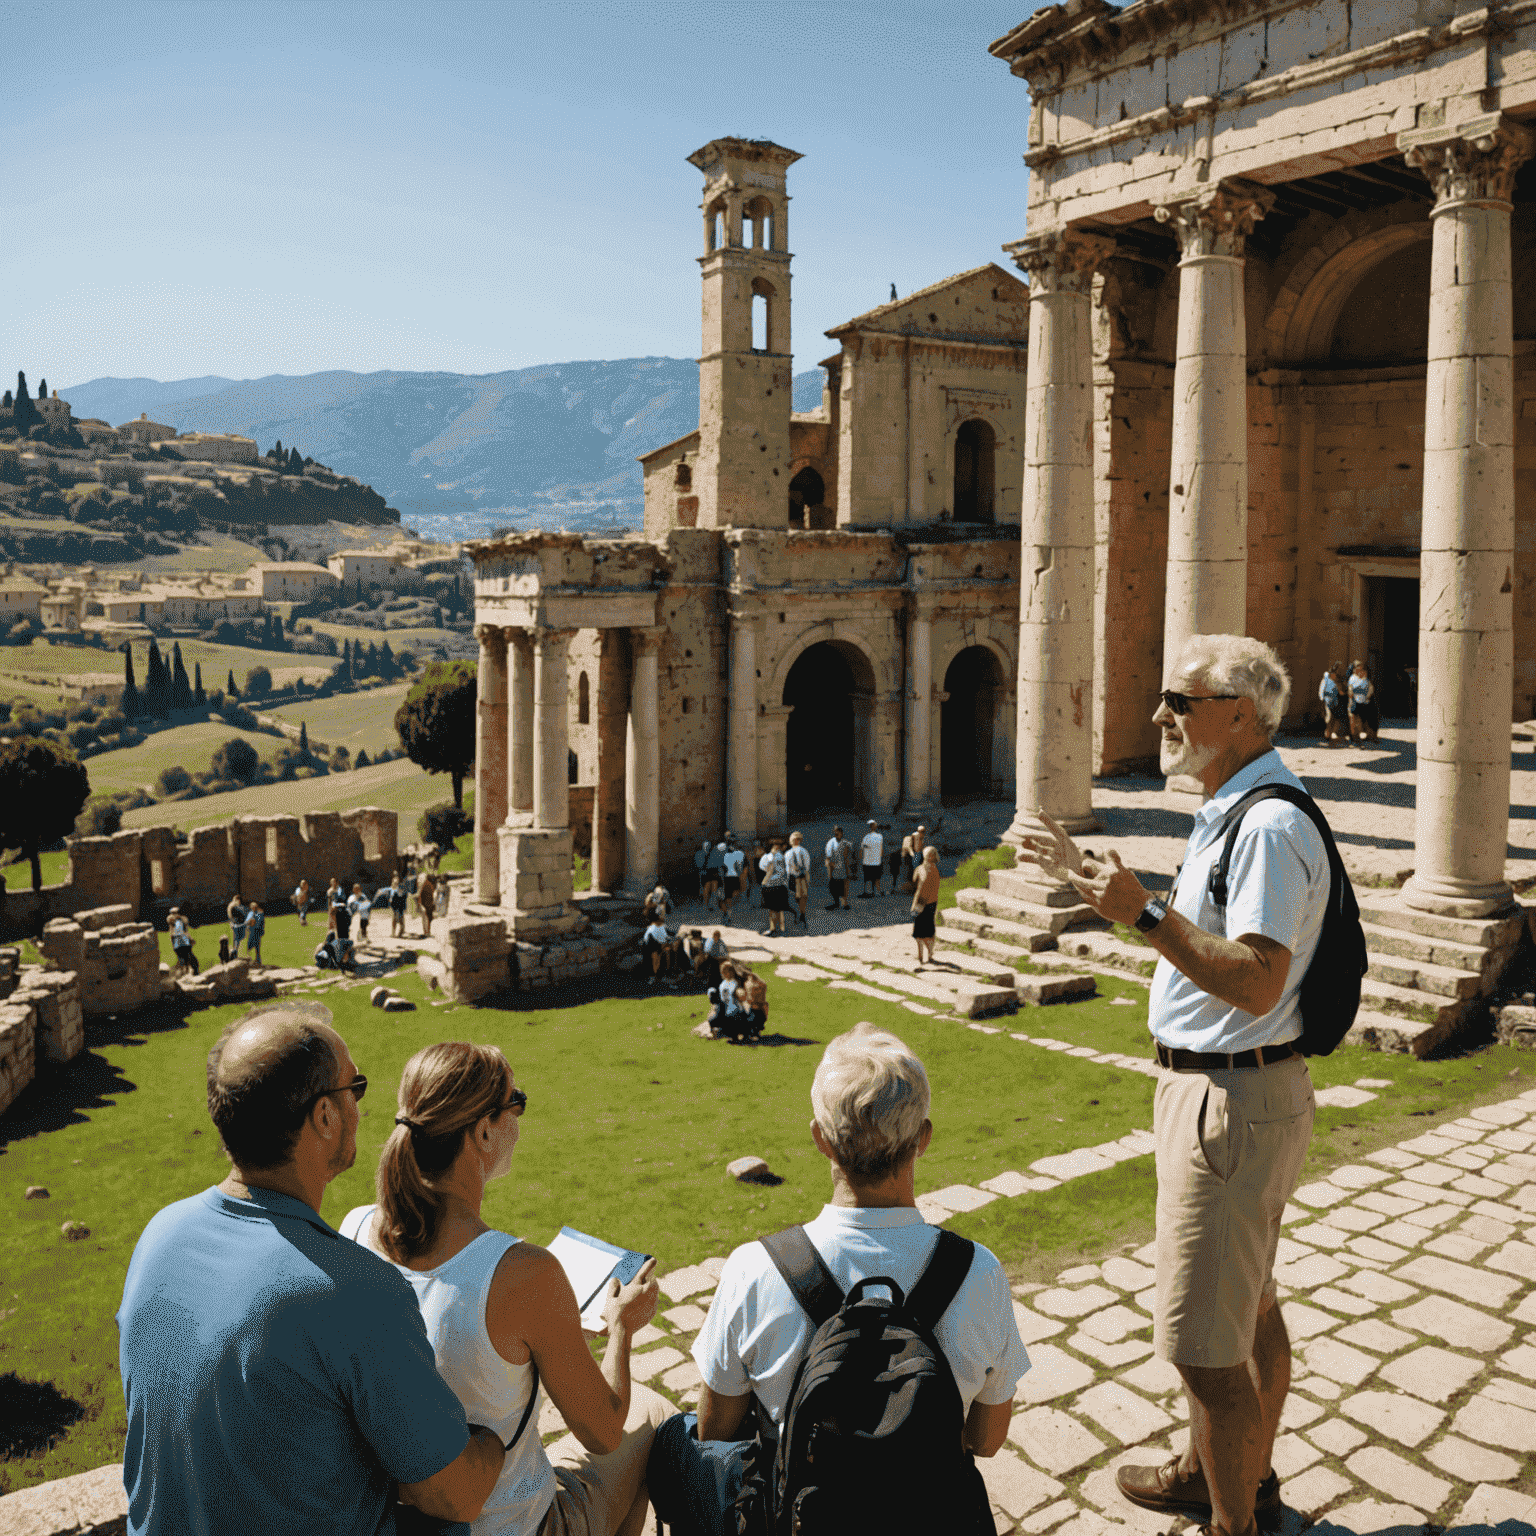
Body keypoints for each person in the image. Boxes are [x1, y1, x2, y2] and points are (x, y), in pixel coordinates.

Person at [1017, 633, 1325, 1536]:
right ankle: (1215, 1473)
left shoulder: (1266, 823)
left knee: (1204, 1353)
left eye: (1178, 701)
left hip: (1229, 1103)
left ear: (1237, 713)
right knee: (1251, 1308)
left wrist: (1145, 910)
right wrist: (1090, 880)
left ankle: (1236, 1521)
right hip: (1238, 1091)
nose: (1159, 716)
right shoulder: (1235, 808)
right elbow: (1202, 939)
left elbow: (1258, 976)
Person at [116, 1003, 504, 1534]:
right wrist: (493, 1441)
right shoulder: (353, 1290)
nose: (361, 1108)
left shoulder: (159, 1235)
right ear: (325, 1116)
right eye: (355, 1089)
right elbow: (455, 1495)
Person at [647, 1023, 1030, 1534]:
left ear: (820, 1140)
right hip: (926, 1517)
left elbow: (716, 1431)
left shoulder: (755, 1269)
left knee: (673, 1433)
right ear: (924, 1139)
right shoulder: (979, 1272)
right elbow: (986, 1440)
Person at [341, 1042, 670, 1536]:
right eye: (516, 1101)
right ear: (483, 1130)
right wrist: (622, 1328)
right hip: (506, 1523)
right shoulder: (523, 1274)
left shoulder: (355, 1228)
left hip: (395, 1517)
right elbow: (602, 1432)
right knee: (653, 1414)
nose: (520, 1117)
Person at [911, 845, 942, 966]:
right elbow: (915, 883)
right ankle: (920, 955)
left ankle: (929, 954)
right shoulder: (921, 868)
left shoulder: (933, 870)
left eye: (930, 854)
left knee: (928, 931)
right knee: (918, 931)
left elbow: (927, 888)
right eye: (927, 854)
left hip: (927, 902)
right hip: (920, 901)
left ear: (933, 856)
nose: (928, 856)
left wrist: (918, 905)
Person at [758, 838, 790, 936]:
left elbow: (762, 867)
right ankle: (782, 929)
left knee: (772, 909)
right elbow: (787, 872)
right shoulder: (784, 857)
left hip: (771, 885)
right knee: (780, 909)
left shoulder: (767, 857)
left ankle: (772, 929)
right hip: (781, 885)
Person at [784, 830, 812, 929]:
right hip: (802, 877)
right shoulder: (804, 851)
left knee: (795, 897)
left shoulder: (787, 853)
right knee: (803, 897)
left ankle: (798, 915)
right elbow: (807, 867)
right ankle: (802, 914)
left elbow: (787, 869)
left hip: (792, 877)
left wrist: (786, 880)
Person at [1347, 659, 1378, 743]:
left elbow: (1370, 688)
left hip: (1365, 701)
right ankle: (1355, 737)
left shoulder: (1365, 678)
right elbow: (1350, 690)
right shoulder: (1352, 678)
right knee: (1355, 720)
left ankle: (1371, 736)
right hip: (1355, 701)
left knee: (1369, 719)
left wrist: (1367, 697)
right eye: (1357, 667)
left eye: (1360, 667)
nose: (1359, 669)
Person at [823, 825, 853, 911]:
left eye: (838, 833)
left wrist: (848, 869)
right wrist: (829, 868)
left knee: (844, 885)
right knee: (833, 887)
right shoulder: (831, 842)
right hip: (834, 868)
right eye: (835, 833)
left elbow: (848, 855)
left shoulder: (845, 842)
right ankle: (836, 902)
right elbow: (828, 857)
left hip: (843, 868)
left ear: (842, 833)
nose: (837, 834)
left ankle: (845, 903)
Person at [640, 914, 671, 985]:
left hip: (658, 948)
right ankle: (654, 976)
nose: (663, 921)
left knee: (666, 954)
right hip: (652, 949)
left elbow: (665, 936)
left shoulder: (661, 927)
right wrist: (664, 945)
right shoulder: (652, 928)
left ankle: (660, 975)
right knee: (656, 959)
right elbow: (655, 940)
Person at [1317, 667, 1345, 745]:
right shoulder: (1325, 681)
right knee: (1329, 719)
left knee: (1334, 719)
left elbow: (1341, 693)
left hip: (1335, 702)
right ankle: (1327, 736)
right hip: (1327, 702)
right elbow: (1321, 692)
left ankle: (1331, 735)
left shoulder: (1336, 683)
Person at [168, 907, 198, 977]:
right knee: (188, 960)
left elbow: (174, 934)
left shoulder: (174, 921)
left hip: (179, 944)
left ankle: (184, 974)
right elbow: (181, 932)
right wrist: (190, 939)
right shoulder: (179, 920)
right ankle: (188, 974)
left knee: (184, 960)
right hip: (183, 943)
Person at [719, 842, 744, 921]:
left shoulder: (723, 856)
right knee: (734, 895)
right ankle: (729, 912)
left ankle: (727, 912)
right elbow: (739, 868)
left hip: (728, 878)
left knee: (728, 897)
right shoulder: (735, 857)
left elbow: (721, 869)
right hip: (734, 877)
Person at [859, 820, 883, 897]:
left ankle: (867, 891)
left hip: (867, 861)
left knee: (867, 878)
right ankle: (877, 891)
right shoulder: (880, 836)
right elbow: (881, 849)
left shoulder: (866, 837)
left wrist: (861, 859)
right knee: (876, 878)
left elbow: (861, 849)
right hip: (876, 861)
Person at [243, 902, 265, 966]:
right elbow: (246, 922)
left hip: (257, 932)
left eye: (255, 907)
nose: (253, 908)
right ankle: (249, 959)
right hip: (252, 931)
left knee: (257, 947)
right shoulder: (250, 913)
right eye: (252, 907)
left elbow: (261, 923)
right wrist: (248, 923)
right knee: (249, 945)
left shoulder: (260, 913)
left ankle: (258, 960)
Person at [419, 870, 438, 938]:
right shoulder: (428, 885)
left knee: (427, 918)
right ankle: (427, 933)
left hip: (428, 904)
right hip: (427, 904)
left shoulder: (428, 885)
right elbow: (421, 895)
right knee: (427, 918)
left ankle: (427, 933)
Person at [390, 872, 409, 938]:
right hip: (395, 906)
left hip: (400, 905)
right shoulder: (392, 890)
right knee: (395, 919)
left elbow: (404, 899)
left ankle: (401, 932)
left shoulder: (401, 889)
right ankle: (394, 933)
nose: (395, 884)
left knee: (401, 919)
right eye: (394, 883)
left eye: (396, 883)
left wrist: (404, 907)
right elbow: (391, 899)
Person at [226, 893, 245, 957]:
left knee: (237, 938)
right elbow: (236, 915)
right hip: (237, 924)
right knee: (238, 938)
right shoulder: (234, 906)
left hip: (235, 923)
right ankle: (234, 952)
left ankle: (234, 951)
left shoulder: (231, 905)